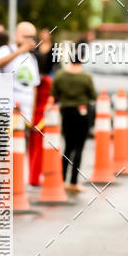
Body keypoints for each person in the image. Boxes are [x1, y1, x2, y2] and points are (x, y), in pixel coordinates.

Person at [51, 48, 97, 193]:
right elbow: (93, 95)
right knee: (79, 148)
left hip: (66, 113)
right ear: (82, 60)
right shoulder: (85, 77)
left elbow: (54, 94)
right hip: (82, 113)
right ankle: (73, 181)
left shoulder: (60, 75)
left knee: (67, 147)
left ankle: (61, 179)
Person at [0, 21, 39, 125]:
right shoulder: (6, 50)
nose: (29, 40)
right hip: (3, 112)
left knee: (22, 141)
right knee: (0, 141)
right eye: (25, 36)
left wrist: (32, 113)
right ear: (16, 35)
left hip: (25, 114)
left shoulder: (32, 58)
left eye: (32, 37)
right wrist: (20, 51)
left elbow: (34, 87)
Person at [28, 28, 56, 186]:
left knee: (33, 149)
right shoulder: (46, 83)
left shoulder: (35, 83)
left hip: (34, 116)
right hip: (41, 118)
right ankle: (34, 177)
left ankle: (33, 176)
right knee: (38, 150)